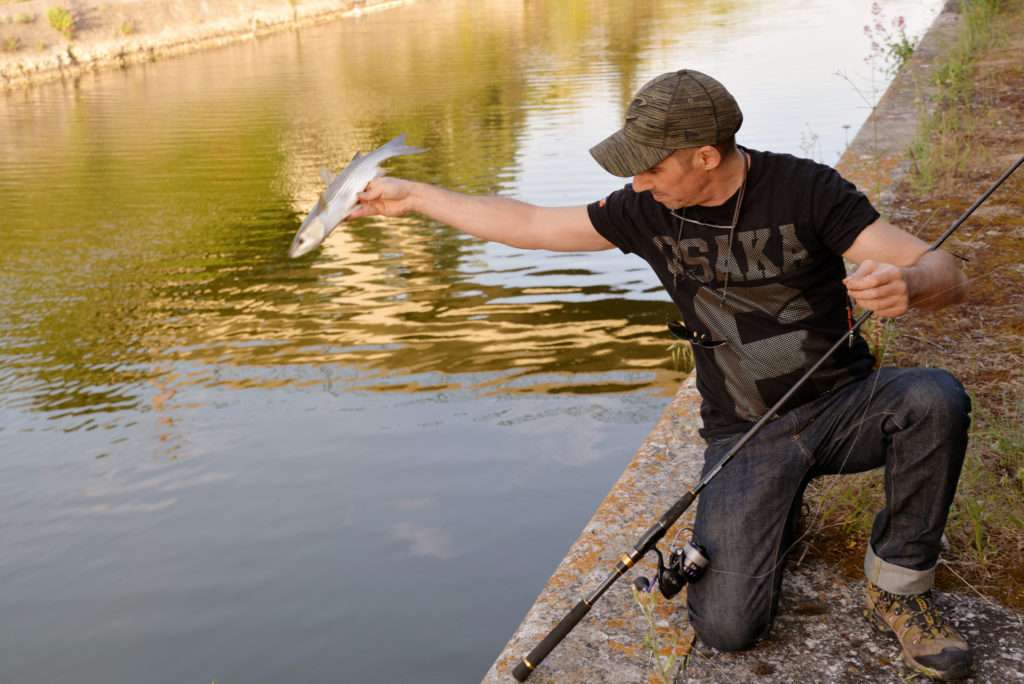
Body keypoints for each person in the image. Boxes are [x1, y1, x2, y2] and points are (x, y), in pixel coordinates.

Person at [350, 69, 972, 681]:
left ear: (705, 155)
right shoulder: (645, 209)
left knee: (933, 397)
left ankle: (900, 585)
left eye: (651, 165)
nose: (638, 180)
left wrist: (912, 284)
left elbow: (946, 268)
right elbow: (531, 224)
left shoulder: (805, 190)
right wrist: (419, 198)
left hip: (844, 402)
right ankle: (775, 514)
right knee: (728, 629)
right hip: (744, 432)